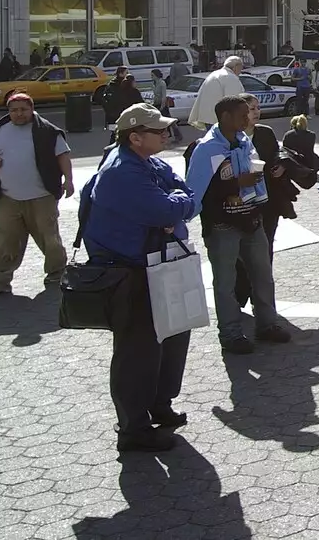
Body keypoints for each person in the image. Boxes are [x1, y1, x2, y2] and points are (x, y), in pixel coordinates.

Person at [81, 103, 197, 452]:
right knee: (138, 352)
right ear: (135, 137)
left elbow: (188, 196)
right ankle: (133, 429)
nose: (166, 134)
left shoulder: (147, 161)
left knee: (173, 337)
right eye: (159, 131)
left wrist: (177, 204)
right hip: (130, 272)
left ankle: (159, 404)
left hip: (159, 264)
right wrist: (175, 206)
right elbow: (168, 208)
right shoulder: (121, 171)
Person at [185, 95, 288, 354]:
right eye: (242, 114)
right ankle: (230, 334)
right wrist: (236, 184)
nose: (248, 118)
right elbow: (196, 189)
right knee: (225, 282)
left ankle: (267, 324)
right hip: (222, 224)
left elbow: (255, 176)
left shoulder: (244, 142)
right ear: (225, 117)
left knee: (263, 276)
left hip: (251, 219)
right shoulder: (206, 148)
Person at [0, 92, 75, 300]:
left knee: (50, 239)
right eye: (14, 110)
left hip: (42, 197)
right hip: (7, 198)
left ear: (32, 109)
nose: (18, 114)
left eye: (23, 109)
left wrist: (68, 180)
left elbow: (63, 155)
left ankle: (57, 273)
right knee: (5, 242)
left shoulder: (47, 131)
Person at [234, 94, 300, 310]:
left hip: (267, 201)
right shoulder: (230, 136)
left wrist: (281, 165)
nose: (255, 112)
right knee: (241, 252)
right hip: (241, 203)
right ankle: (241, 293)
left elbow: (275, 154)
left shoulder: (265, 132)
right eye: (250, 109)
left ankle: (260, 299)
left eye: (257, 108)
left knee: (265, 248)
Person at [190, 56, 245, 133]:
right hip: (220, 120)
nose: (241, 71)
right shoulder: (230, 77)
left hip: (208, 118)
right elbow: (234, 101)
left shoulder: (214, 74)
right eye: (241, 68)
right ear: (236, 67)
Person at [102, 67, 143, 134]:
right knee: (119, 134)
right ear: (120, 74)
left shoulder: (112, 85)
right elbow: (105, 100)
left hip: (116, 116)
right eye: (126, 73)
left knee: (117, 135)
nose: (128, 74)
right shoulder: (114, 86)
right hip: (118, 116)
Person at [147, 69, 181, 144]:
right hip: (156, 103)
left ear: (156, 75)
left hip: (162, 104)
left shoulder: (162, 83)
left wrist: (162, 106)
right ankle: (165, 136)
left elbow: (163, 96)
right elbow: (154, 95)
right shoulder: (153, 83)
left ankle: (178, 136)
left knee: (169, 121)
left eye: (152, 75)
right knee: (159, 121)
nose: (151, 77)